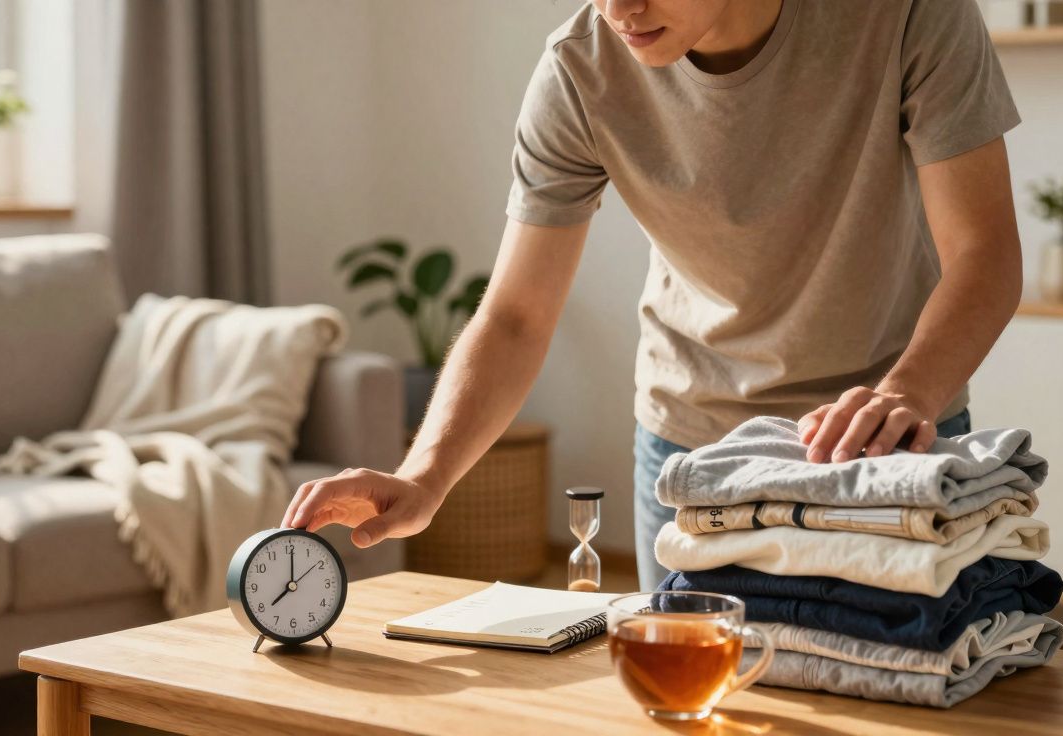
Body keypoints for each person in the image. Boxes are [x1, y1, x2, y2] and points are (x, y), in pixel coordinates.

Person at [283, 0, 1023, 591]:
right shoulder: (580, 70)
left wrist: (908, 392)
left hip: (888, 433)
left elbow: (983, 254)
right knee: (692, 700)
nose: (618, 8)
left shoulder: (909, 13)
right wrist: (424, 474)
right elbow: (514, 315)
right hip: (691, 449)